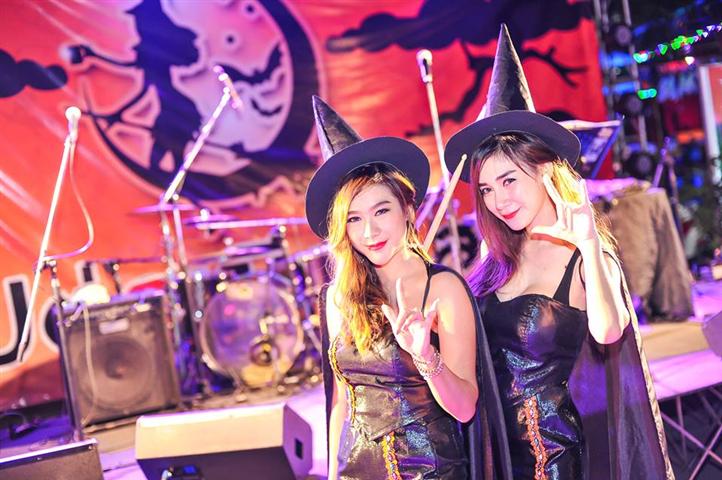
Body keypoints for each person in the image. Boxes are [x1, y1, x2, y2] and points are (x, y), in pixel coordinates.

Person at [443, 25, 674, 480]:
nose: (498, 200)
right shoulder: (494, 258)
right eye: (486, 188)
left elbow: (610, 332)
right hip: (495, 452)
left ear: (547, 171)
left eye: (509, 180)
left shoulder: (584, 257)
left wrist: (588, 244)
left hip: (554, 458)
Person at [305, 96, 512, 479]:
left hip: (428, 471)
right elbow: (341, 404)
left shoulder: (443, 289)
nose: (370, 231)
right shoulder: (337, 297)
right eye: (354, 219)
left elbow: (465, 407)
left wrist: (424, 356)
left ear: (408, 210)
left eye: (381, 210)